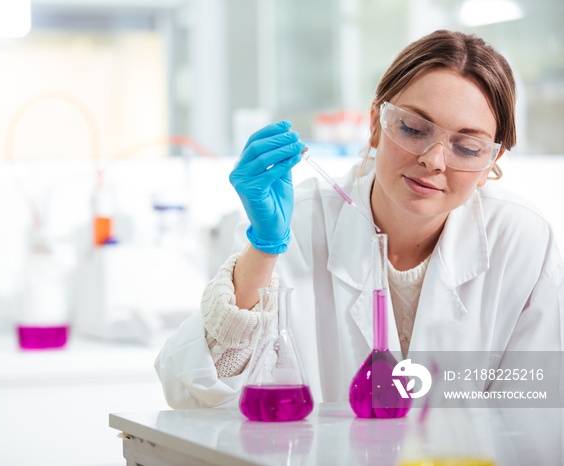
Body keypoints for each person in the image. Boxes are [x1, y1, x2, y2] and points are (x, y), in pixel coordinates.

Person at [155, 30, 564, 410]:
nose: (433, 160)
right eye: (413, 128)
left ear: (492, 161)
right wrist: (263, 249)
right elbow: (192, 391)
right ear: (376, 125)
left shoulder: (523, 240)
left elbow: (533, 415)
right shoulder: (296, 224)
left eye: (468, 147)